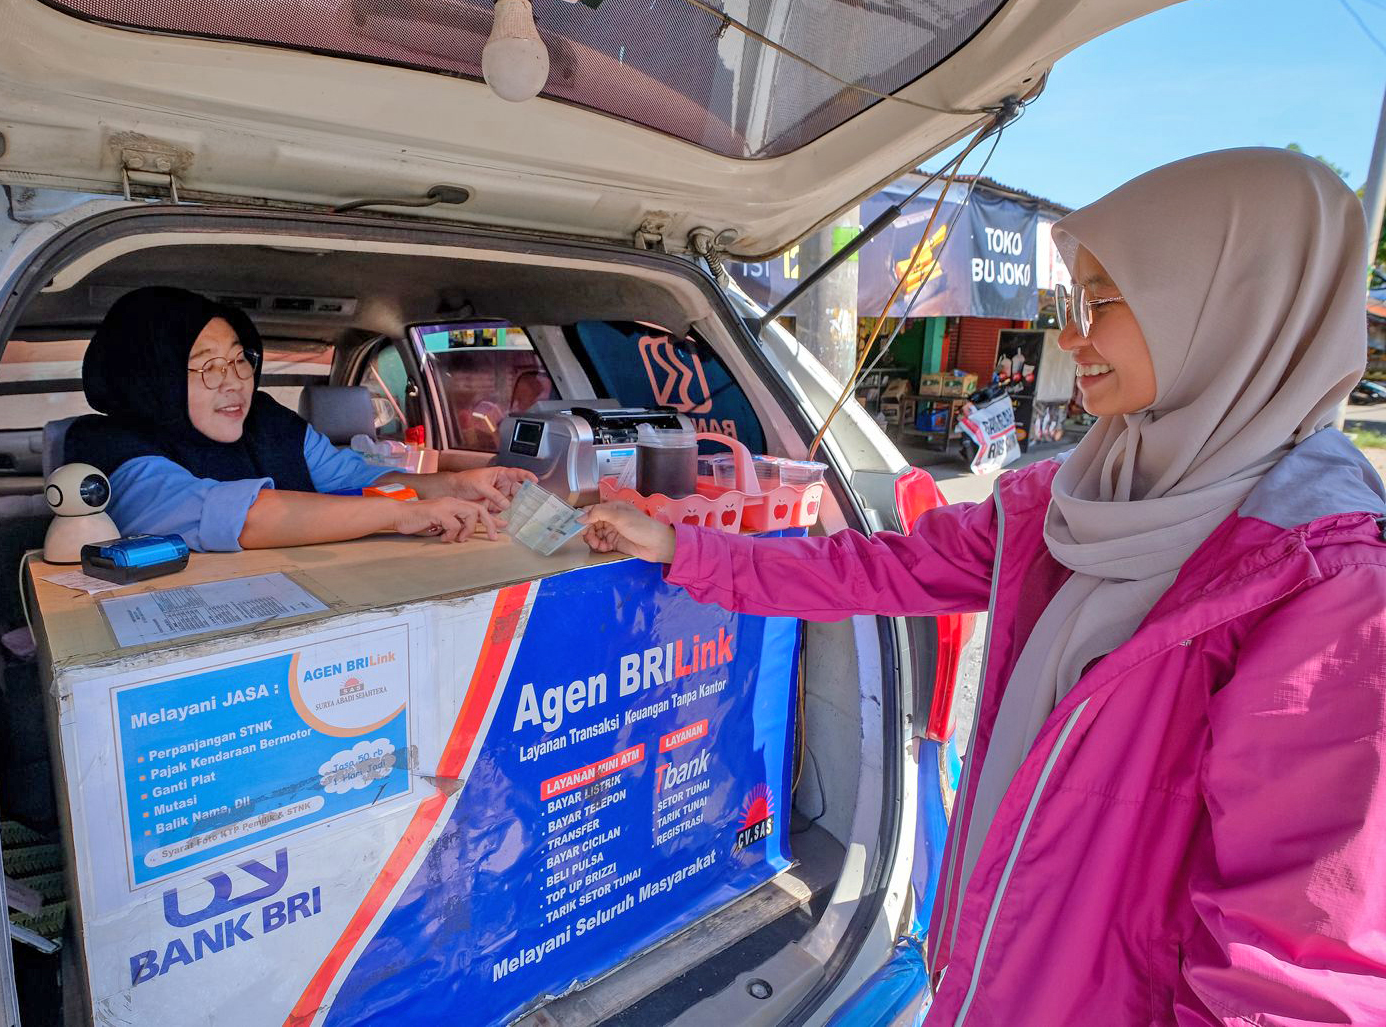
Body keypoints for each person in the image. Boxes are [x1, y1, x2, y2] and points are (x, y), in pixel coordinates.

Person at [581, 148, 1386, 1024]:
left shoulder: (1326, 590)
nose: (1072, 336)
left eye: (1103, 302)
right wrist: (682, 545)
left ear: (1227, 304)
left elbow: (1294, 971)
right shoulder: (1080, 493)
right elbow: (878, 567)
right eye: (1070, 304)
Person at [65, 287, 534, 550]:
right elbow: (235, 517)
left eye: (239, 360)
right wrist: (399, 515)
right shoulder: (108, 449)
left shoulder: (269, 423)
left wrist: (453, 485)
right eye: (208, 365)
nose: (234, 382)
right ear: (150, 376)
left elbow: (359, 478)